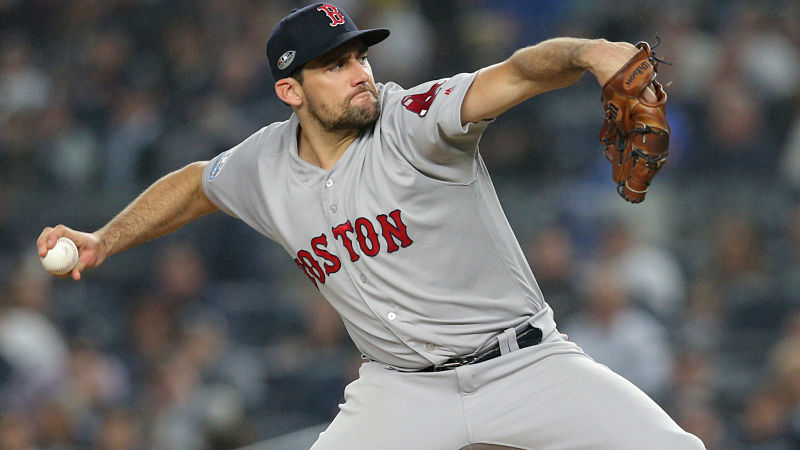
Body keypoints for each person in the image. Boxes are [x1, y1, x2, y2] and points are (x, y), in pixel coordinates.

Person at [37, 3, 705, 449]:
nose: (360, 74)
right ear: (290, 91)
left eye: (360, 57)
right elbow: (191, 185)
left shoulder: (416, 118)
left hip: (523, 363)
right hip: (401, 389)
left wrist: (589, 51)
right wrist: (103, 239)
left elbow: (519, 71)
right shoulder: (263, 164)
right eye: (335, 65)